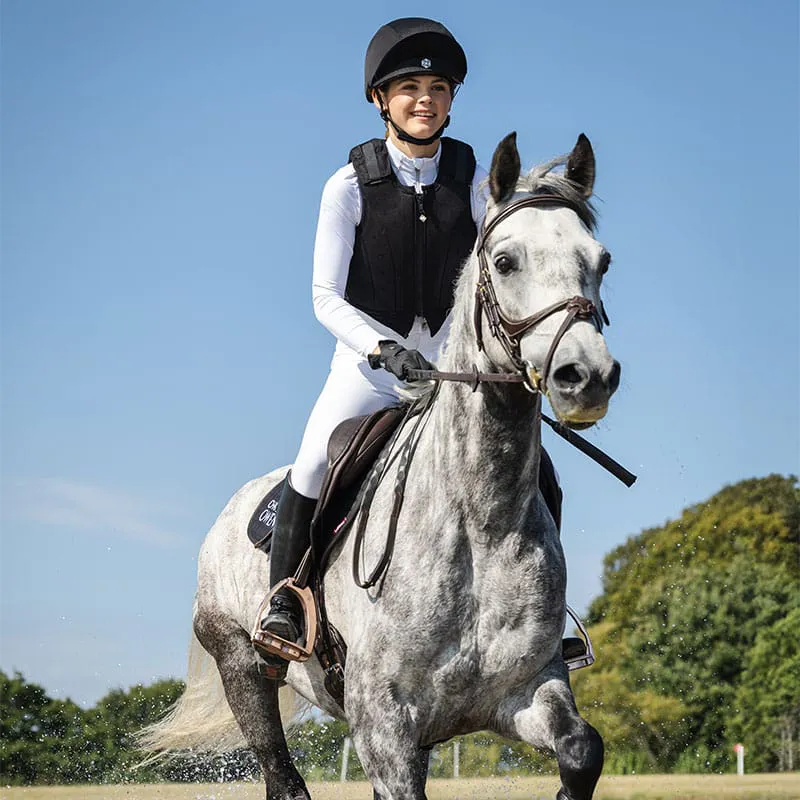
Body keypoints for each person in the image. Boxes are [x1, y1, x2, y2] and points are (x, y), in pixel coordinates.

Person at [257, 17, 575, 676]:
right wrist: (384, 348)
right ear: (380, 100)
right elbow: (324, 296)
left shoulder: (476, 182)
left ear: (453, 99)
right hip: (371, 370)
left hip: (456, 373)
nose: (424, 99)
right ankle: (285, 599)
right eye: (408, 87)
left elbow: (505, 269)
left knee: (538, 471)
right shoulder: (347, 186)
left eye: (437, 86)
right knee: (314, 462)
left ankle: (548, 612)